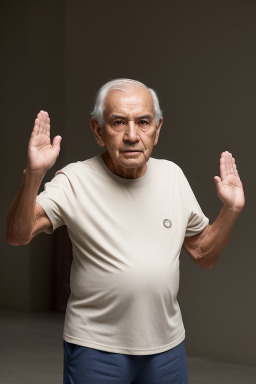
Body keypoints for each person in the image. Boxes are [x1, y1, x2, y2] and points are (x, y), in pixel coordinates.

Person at [6, 78, 245, 384]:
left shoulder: (173, 175)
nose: (132, 135)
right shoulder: (75, 179)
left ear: (157, 130)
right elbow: (18, 234)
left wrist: (232, 209)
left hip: (167, 348)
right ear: (98, 131)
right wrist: (35, 175)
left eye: (143, 122)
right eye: (118, 122)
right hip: (96, 348)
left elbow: (203, 254)